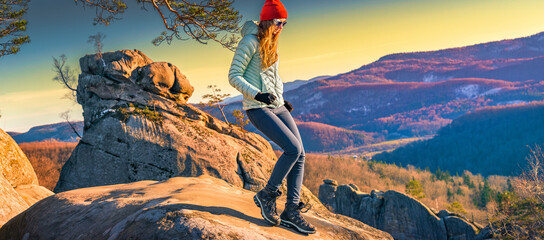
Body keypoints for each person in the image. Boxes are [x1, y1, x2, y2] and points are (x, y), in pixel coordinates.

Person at [227, 0, 316, 235]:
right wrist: (258, 94)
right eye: (278, 22)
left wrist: (280, 97)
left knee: (300, 154)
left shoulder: (272, 41)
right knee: (292, 149)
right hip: (258, 107)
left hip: (276, 105)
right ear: (267, 21)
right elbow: (233, 75)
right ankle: (267, 195)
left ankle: (291, 211)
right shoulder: (249, 42)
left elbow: (274, 76)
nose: (282, 27)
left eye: (285, 23)